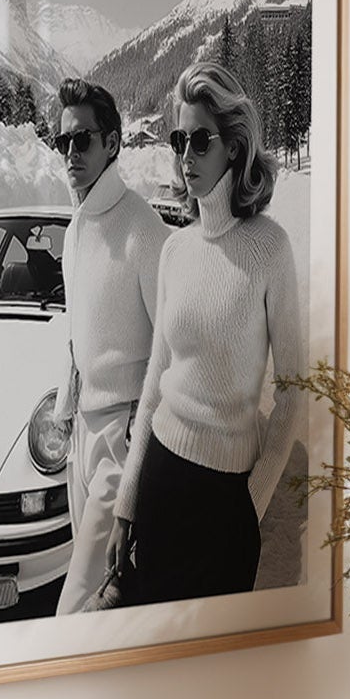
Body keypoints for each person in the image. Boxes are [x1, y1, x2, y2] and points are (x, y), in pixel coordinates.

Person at [104, 60, 303, 606]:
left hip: (226, 501)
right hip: (161, 481)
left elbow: (294, 390)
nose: (185, 157)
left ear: (233, 148)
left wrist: (252, 502)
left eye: (200, 141)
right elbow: (155, 380)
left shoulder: (270, 248)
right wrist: (126, 504)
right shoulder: (175, 250)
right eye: (178, 140)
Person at [49, 78, 168, 615]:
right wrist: (64, 404)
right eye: (63, 142)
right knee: (99, 597)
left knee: (73, 605)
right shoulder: (75, 227)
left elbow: (174, 346)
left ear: (113, 144)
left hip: (123, 440)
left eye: (83, 140)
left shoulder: (144, 230)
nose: (70, 153)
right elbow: (79, 329)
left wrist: (139, 434)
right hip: (82, 434)